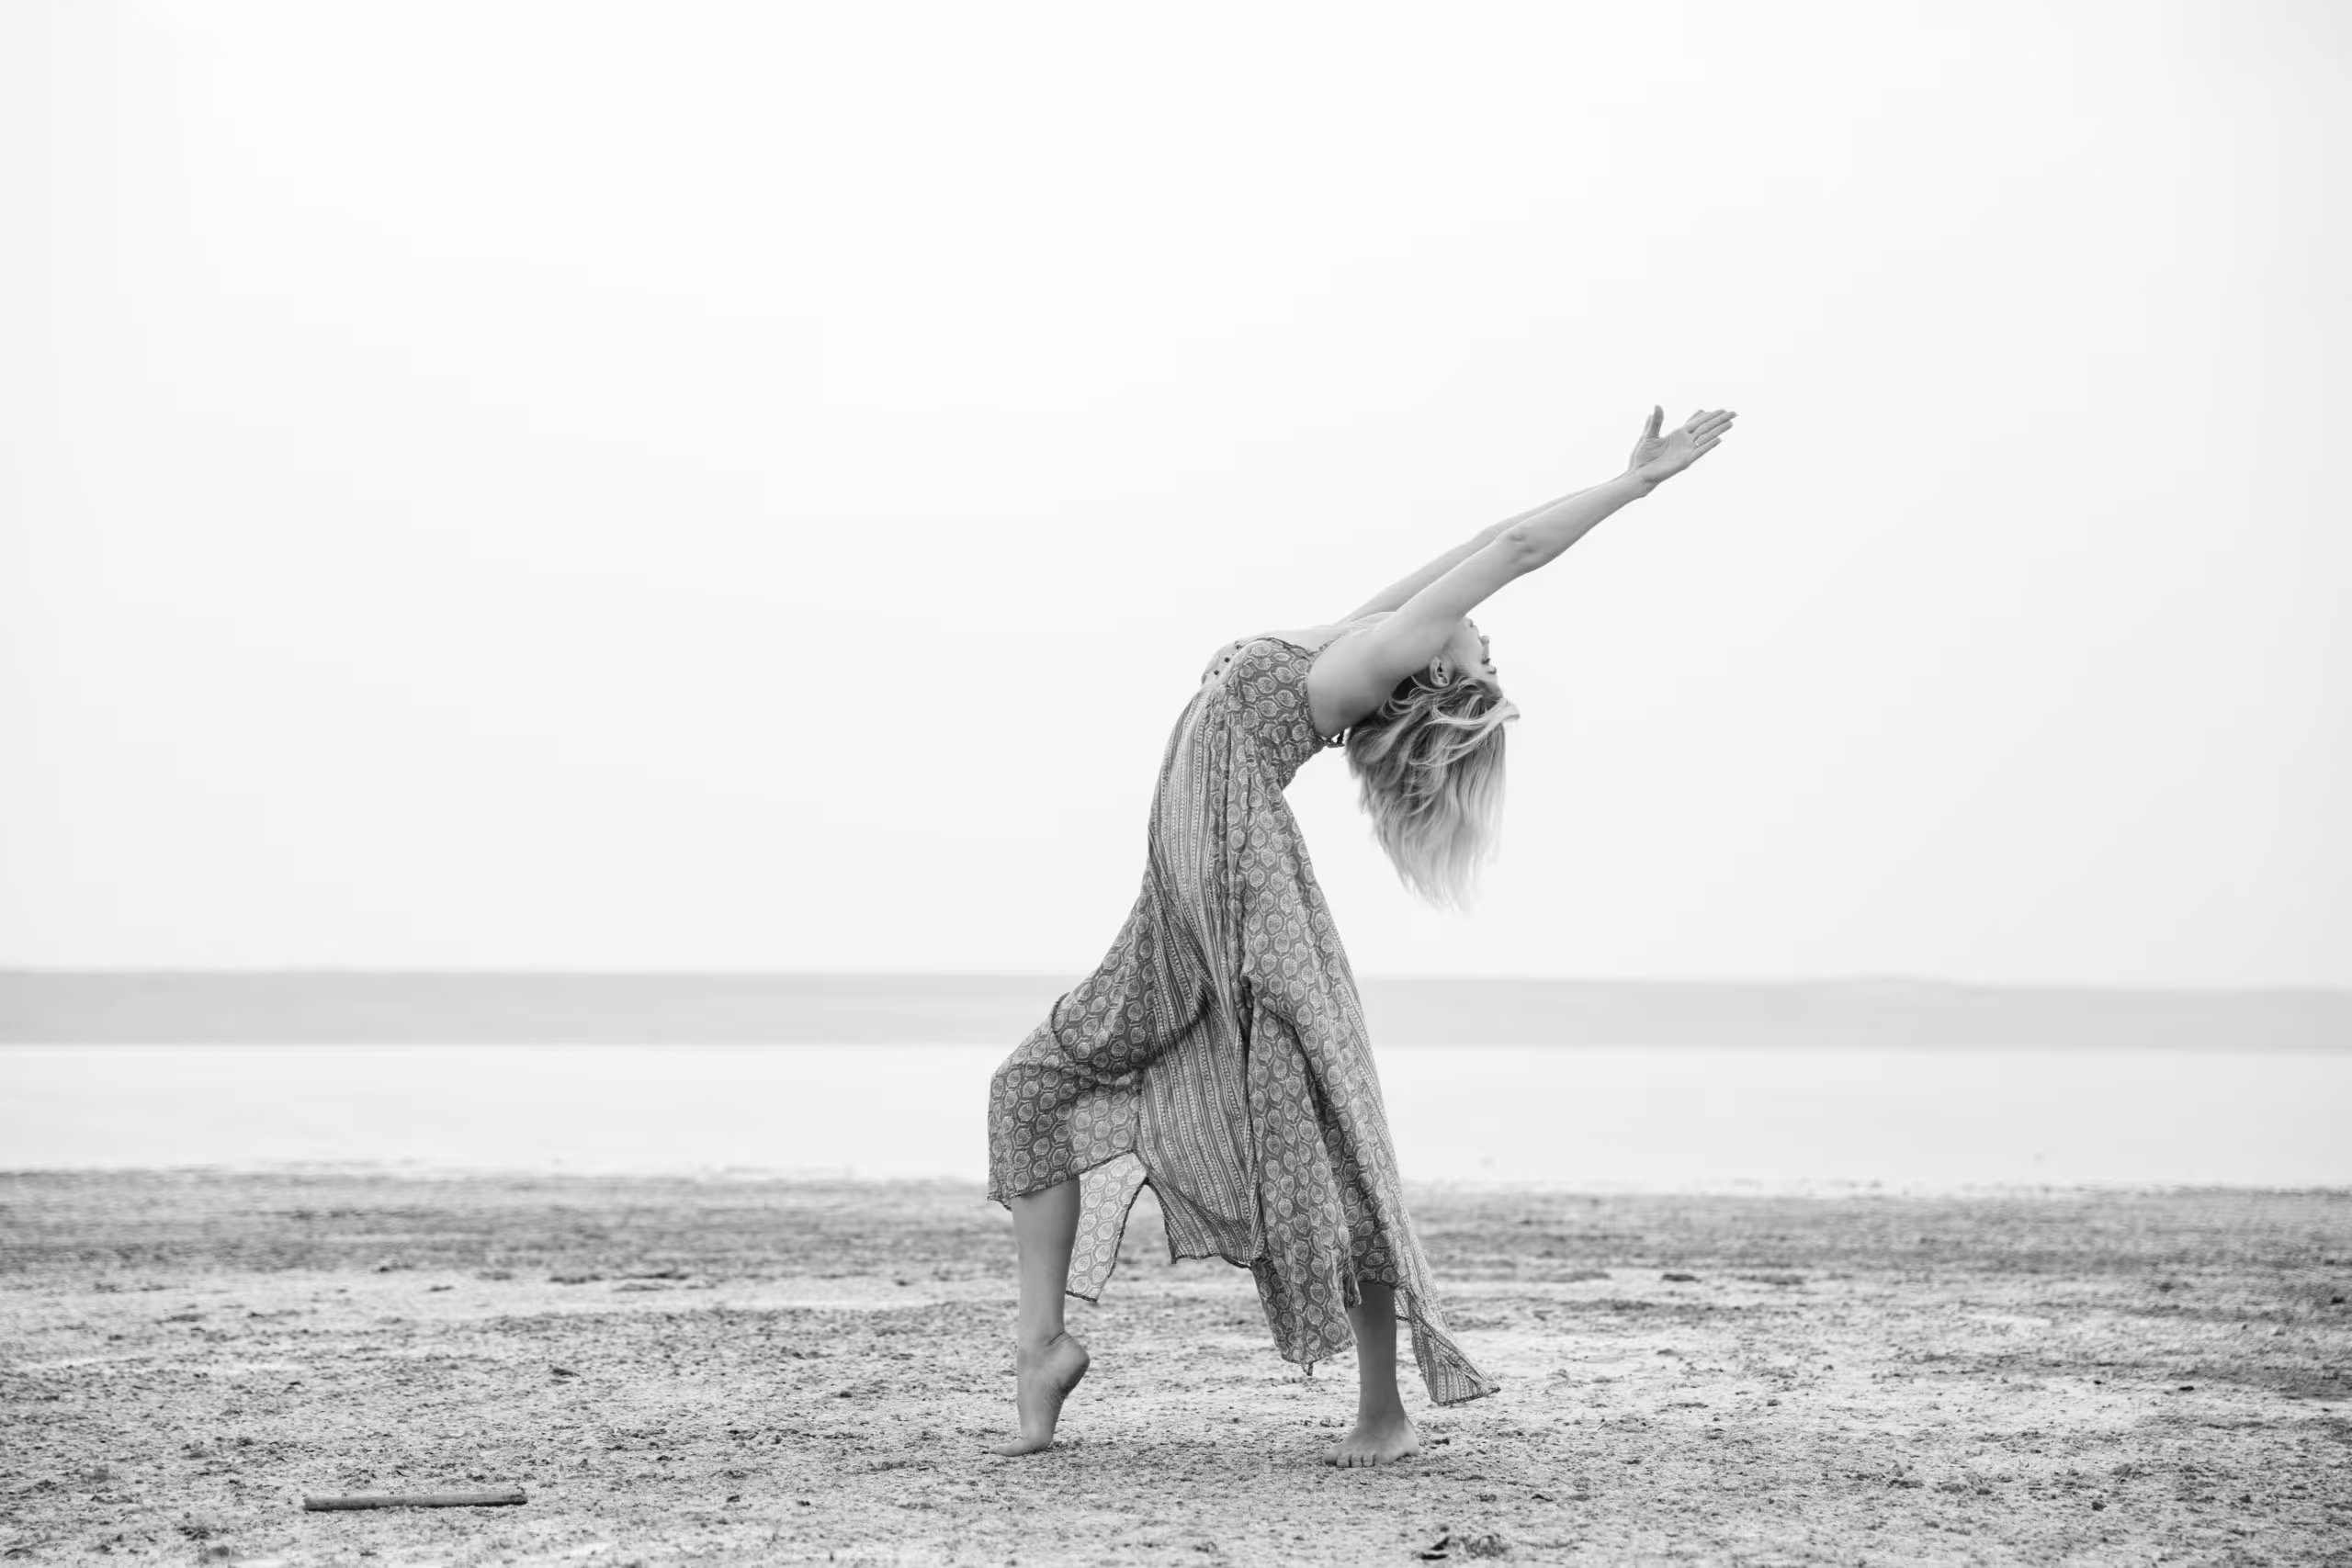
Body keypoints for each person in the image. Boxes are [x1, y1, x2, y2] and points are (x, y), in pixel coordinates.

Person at [985, 404, 1738, 1465]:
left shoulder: (1362, 669)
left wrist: (1638, 488)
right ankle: (1041, 1346)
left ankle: (1380, 1411)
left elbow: (1512, 558)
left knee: (1329, 1137)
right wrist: (1612, 475)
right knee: (1029, 1087)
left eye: (1474, 645)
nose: (1483, 627)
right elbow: (1491, 541)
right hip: (1186, 896)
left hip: (1243, 898)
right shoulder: (1352, 642)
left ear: (1427, 671)